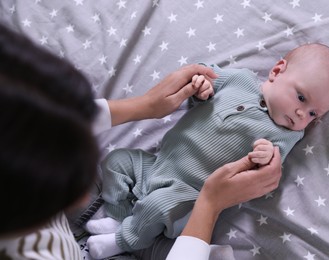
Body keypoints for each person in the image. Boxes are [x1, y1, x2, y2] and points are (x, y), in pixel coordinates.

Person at [0, 24, 282, 259]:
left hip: (111, 205)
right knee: (160, 215)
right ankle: (127, 238)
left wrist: (144, 106)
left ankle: (123, 226)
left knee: (120, 166)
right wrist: (209, 205)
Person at [85, 43, 329, 259]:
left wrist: (265, 155)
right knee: (116, 161)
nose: (302, 113)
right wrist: (201, 87)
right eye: (301, 97)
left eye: (313, 113)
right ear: (277, 71)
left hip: (188, 196)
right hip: (157, 164)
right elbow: (204, 81)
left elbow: (268, 168)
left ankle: (123, 240)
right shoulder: (240, 79)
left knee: (156, 206)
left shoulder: (286, 134)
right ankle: (120, 217)